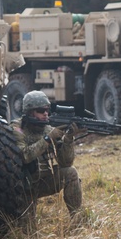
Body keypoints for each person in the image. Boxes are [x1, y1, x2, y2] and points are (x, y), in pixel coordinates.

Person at [13, 91, 83, 222]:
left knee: (71, 173)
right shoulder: (17, 128)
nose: (45, 113)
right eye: (40, 110)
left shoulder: (48, 128)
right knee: (27, 232)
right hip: (23, 187)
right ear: (29, 112)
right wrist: (48, 139)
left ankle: (77, 220)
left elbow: (66, 163)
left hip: (44, 182)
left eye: (47, 110)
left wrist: (68, 139)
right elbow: (24, 156)